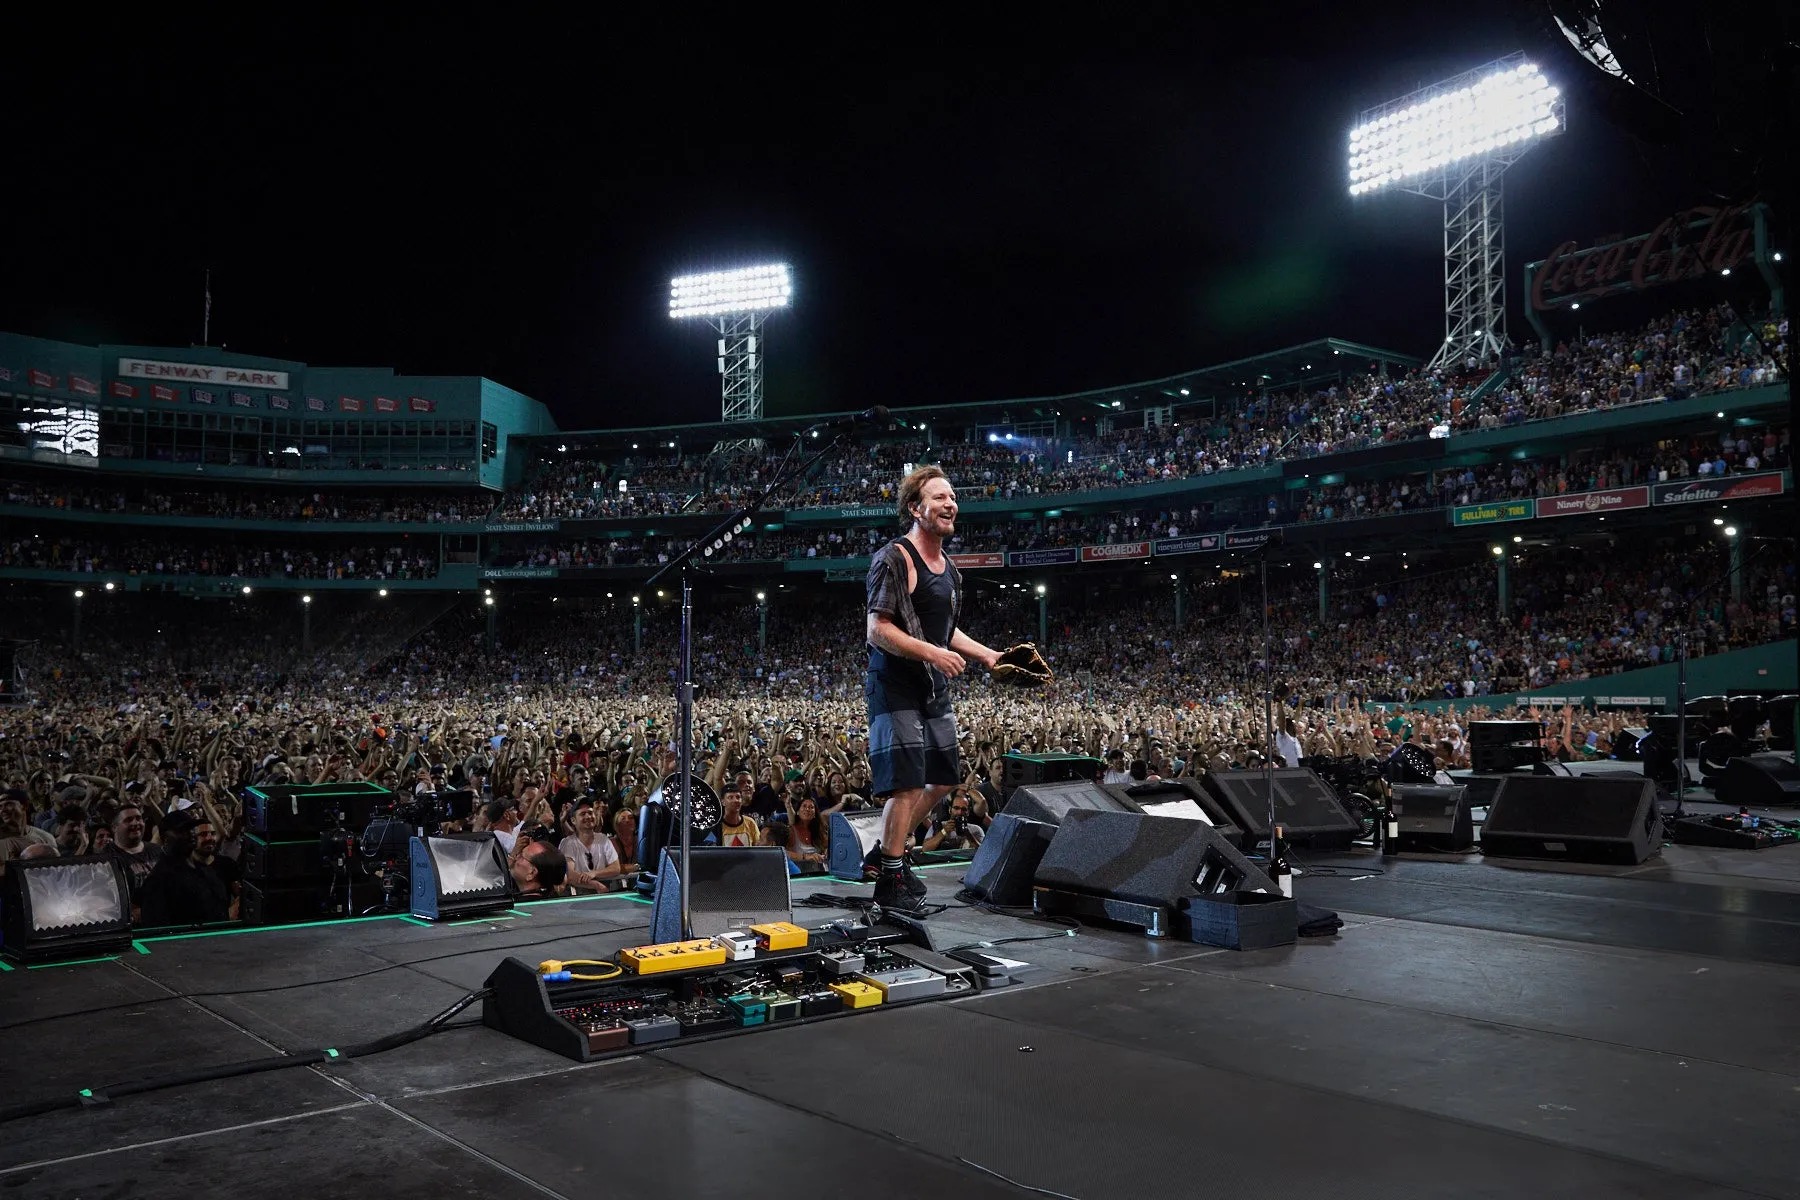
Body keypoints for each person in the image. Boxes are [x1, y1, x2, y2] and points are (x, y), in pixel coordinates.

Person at [864, 465, 1001, 913]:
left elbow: (948, 632)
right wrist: (931, 653)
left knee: (943, 779)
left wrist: (988, 655)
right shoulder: (895, 558)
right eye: (939, 497)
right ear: (914, 508)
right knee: (905, 786)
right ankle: (890, 876)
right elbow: (877, 629)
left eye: (952, 496)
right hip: (895, 685)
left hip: (931, 685)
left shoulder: (951, 572)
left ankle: (889, 850)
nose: (950, 504)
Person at [139, 810, 230, 927]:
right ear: (165, 838)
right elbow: (157, 929)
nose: (190, 833)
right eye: (181, 831)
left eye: (191, 828)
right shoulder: (159, 879)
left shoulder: (205, 870)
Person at [559, 799, 622, 892]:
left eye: (590, 812)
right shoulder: (568, 843)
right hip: (578, 897)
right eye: (583, 814)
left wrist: (595, 873)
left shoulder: (603, 839)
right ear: (573, 820)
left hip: (603, 894)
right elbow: (570, 875)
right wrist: (596, 885)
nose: (588, 816)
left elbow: (616, 868)